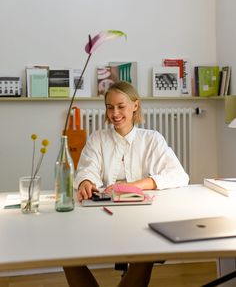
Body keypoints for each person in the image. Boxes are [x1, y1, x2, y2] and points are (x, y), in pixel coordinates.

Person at [63, 81, 189, 287]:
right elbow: (87, 170)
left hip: (140, 216)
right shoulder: (97, 139)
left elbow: (179, 175)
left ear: (135, 106)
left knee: (146, 254)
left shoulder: (152, 139)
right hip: (102, 215)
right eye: (110, 107)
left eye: (121, 106)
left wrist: (135, 186)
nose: (115, 113)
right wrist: (86, 181)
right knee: (66, 253)